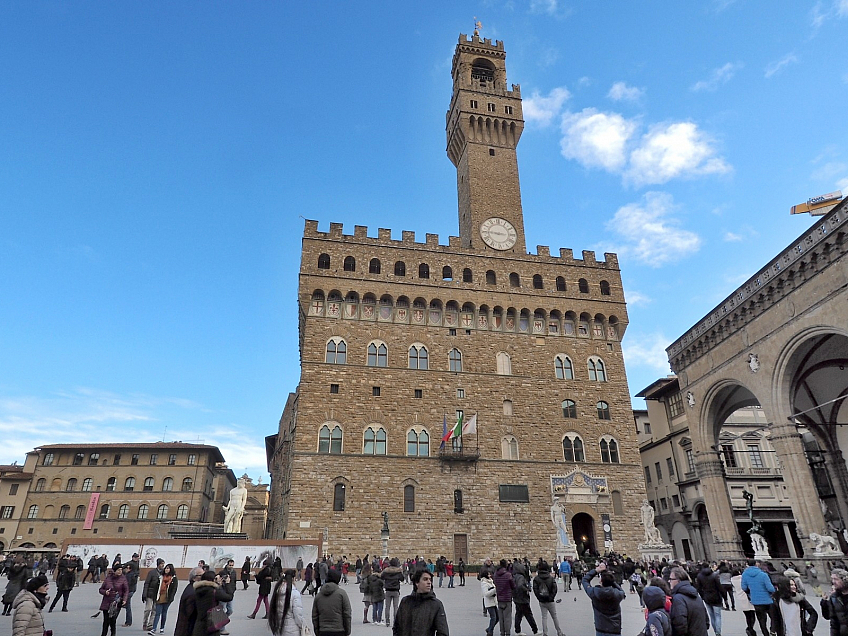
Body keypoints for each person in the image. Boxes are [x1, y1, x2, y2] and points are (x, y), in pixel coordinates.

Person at [392, 568, 449, 636]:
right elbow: (397, 627)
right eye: (425, 579)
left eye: (430, 580)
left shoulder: (436, 605)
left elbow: (443, 632)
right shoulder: (405, 602)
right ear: (417, 582)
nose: (429, 582)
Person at [582, 560, 626, 636]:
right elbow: (621, 590)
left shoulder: (594, 593)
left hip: (601, 629)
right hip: (615, 630)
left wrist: (596, 570)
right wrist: (611, 579)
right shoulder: (618, 594)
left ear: (601, 581)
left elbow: (585, 580)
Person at [669, 566, 709, 636]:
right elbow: (706, 621)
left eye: (671, 579)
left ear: (678, 580)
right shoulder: (696, 594)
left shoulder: (678, 598)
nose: (669, 581)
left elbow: (680, 625)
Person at [313, 568, 351, 636]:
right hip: (339, 630)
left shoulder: (319, 595)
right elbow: (347, 614)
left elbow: (315, 616)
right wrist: (347, 630)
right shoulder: (342, 594)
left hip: (323, 630)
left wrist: (317, 631)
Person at [741, 559, 776, 636]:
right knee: (773, 617)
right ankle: (772, 630)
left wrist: (750, 593)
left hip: (756, 601)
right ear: (756, 564)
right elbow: (770, 588)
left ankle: (765, 634)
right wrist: (773, 590)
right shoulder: (763, 574)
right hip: (768, 600)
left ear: (747, 564)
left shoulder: (745, 575)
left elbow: (743, 587)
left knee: (762, 620)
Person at [532, 561, 564, 636]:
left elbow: (535, 590)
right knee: (554, 616)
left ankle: (545, 633)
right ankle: (559, 632)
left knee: (544, 617)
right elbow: (554, 588)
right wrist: (551, 597)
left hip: (542, 600)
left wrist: (539, 598)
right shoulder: (550, 578)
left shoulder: (536, 579)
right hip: (550, 600)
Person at [269, 569, 303, 636]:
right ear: (293, 578)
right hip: (292, 629)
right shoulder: (294, 593)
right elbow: (298, 614)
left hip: (279, 627)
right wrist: (302, 625)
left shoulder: (277, 591)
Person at [99, 564, 129, 636]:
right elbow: (100, 589)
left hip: (116, 602)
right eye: (118, 570)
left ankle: (113, 634)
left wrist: (124, 599)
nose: (120, 571)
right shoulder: (108, 578)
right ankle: (103, 634)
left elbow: (126, 590)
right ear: (114, 570)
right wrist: (105, 592)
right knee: (106, 621)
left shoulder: (123, 578)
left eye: (121, 570)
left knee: (113, 620)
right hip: (107, 601)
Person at [695, 562, 723, 636]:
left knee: (712, 616)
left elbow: (699, 588)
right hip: (716, 597)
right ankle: (718, 632)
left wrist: (703, 597)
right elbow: (719, 587)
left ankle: (715, 630)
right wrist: (724, 597)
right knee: (717, 615)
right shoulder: (714, 575)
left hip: (707, 597)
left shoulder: (699, 576)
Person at [148, 562, 177, 635]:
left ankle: (162, 628)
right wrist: (155, 597)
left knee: (164, 613)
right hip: (159, 596)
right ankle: (153, 629)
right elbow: (156, 588)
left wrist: (171, 598)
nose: (166, 570)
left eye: (168, 568)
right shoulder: (161, 577)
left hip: (167, 598)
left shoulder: (173, 579)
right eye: (166, 568)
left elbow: (174, 589)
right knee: (157, 613)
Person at [512, 561, 538, 636]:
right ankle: (535, 630)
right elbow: (520, 586)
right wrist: (527, 589)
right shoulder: (521, 577)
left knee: (518, 614)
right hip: (522, 598)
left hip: (516, 598)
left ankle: (517, 630)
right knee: (529, 615)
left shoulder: (514, 576)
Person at [821, 568, 848, 636]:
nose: (833, 581)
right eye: (832, 579)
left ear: (844, 580)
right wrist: (824, 603)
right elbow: (832, 621)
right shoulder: (834, 597)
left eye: (836, 579)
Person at [731, 567, 757, 636]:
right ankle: (750, 628)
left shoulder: (732, 580)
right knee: (752, 614)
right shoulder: (742, 578)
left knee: (747, 616)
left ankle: (749, 628)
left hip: (740, 598)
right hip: (748, 598)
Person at [142, 558, 165, 631]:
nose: (163, 565)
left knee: (154, 610)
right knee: (148, 609)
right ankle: (145, 623)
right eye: (161, 564)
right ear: (158, 564)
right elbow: (147, 583)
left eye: (163, 564)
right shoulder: (152, 572)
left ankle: (150, 625)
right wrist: (144, 594)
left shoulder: (164, 574)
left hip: (158, 594)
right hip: (150, 593)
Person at [494, 560, 516, 636]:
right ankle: (507, 632)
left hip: (499, 598)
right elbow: (513, 586)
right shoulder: (508, 575)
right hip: (507, 598)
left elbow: (495, 583)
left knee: (501, 618)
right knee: (507, 617)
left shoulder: (496, 574)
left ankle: (502, 632)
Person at [382, 557, 404, 628]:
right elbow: (402, 579)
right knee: (396, 607)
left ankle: (387, 621)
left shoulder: (386, 571)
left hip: (388, 590)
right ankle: (395, 621)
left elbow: (382, 577)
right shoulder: (398, 571)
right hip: (395, 590)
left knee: (387, 607)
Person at [119, 553, 140, 626]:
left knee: (127, 606)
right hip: (132, 590)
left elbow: (126, 584)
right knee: (126, 605)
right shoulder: (134, 570)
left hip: (129, 591)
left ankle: (128, 622)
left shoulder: (129, 575)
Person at [481, 570, 499, 636]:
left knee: (498, 617)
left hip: (494, 601)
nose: (490, 575)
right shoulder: (484, 583)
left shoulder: (490, 581)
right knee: (493, 617)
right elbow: (486, 593)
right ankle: (490, 632)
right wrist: (494, 590)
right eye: (488, 574)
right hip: (489, 602)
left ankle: (489, 628)